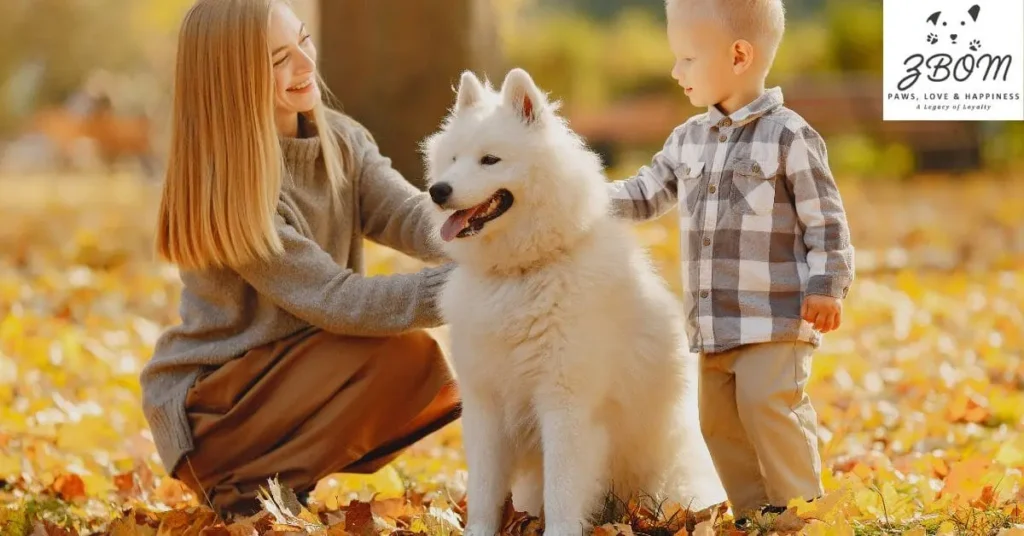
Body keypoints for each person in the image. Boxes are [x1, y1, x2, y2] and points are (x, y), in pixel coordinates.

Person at [141, 0, 460, 516]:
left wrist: (497, 233)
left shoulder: (341, 141)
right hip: (213, 408)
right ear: (231, 78)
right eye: (277, 60)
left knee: (406, 359)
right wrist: (470, 286)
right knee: (403, 355)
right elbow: (336, 299)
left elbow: (409, 216)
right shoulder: (234, 185)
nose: (305, 65)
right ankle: (241, 487)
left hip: (289, 376)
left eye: (304, 41)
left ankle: (279, 487)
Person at [607, 0, 855, 527]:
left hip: (774, 319)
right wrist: (577, 198)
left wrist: (828, 284)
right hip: (713, 325)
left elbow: (825, 219)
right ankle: (754, 515)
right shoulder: (686, 140)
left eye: (688, 59)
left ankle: (799, 516)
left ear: (739, 55)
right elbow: (644, 194)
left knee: (770, 407)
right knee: (718, 422)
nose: (676, 72)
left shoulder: (789, 135)